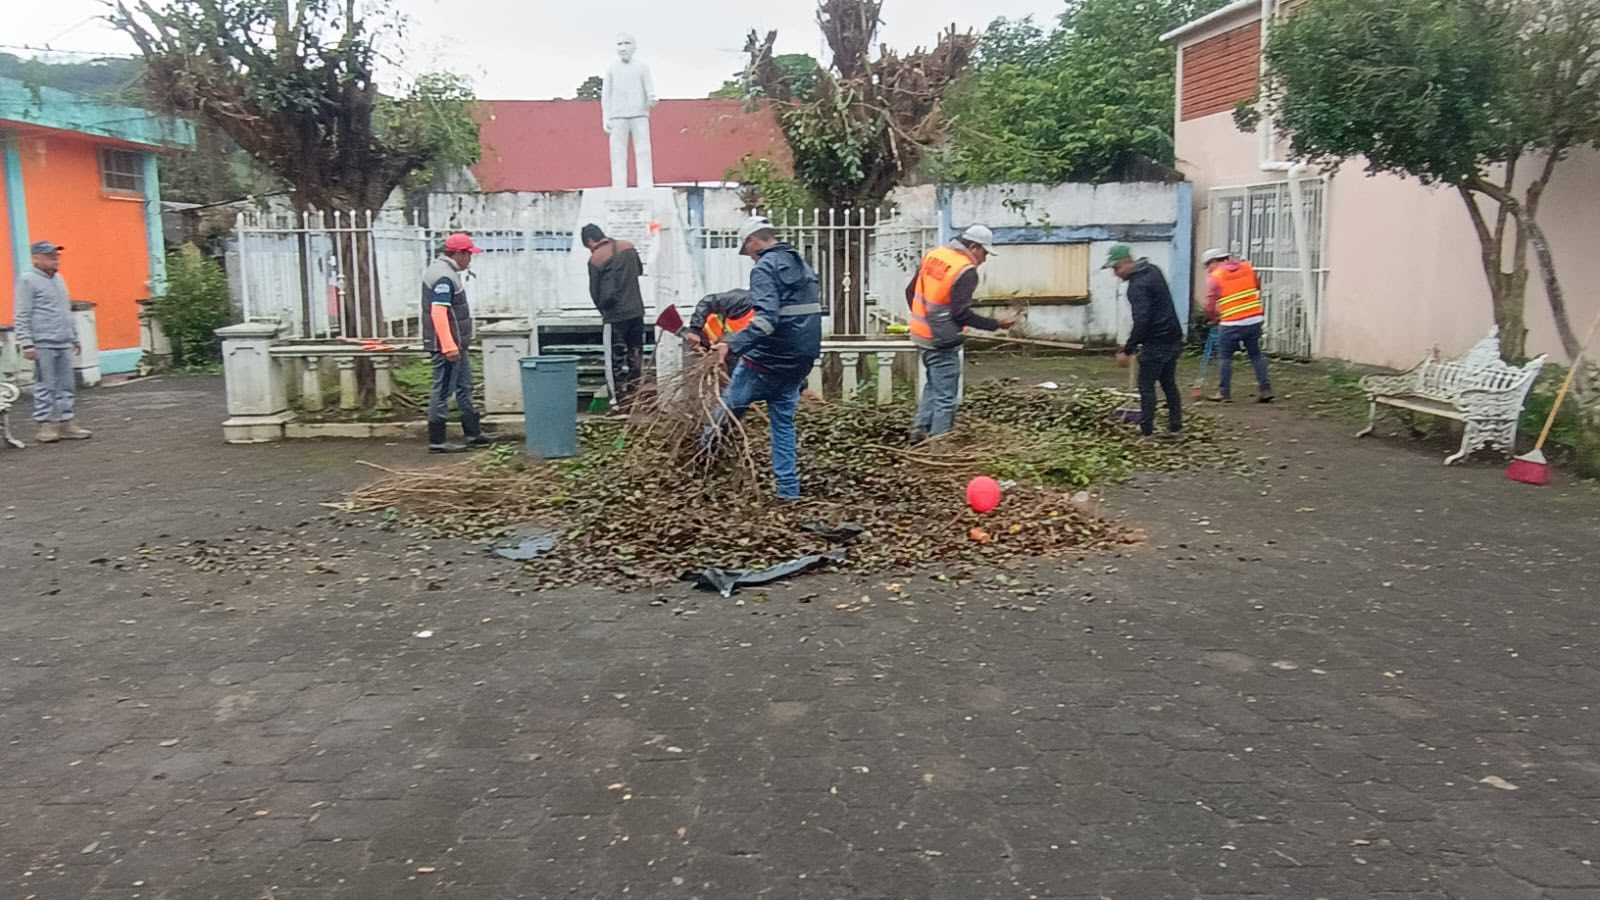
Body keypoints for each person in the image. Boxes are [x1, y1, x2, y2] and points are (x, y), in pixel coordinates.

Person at [705, 217, 822, 500]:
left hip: (763, 363)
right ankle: (788, 491)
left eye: (749, 252)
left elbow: (767, 321)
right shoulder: (801, 265)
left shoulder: (765, 268)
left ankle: (701, 460)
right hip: (797, 364)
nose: (751, 259)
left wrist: (731, 345)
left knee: (727, 412)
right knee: (783, 426)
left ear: (754, 240)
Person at [905, 225, 1018, 443]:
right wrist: (996, 324)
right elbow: (960, 313)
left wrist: (926, 319)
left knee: (934, 385)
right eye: (984, 253)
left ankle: (918, 433)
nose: (984, 259)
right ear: (974, 247)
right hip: (941, 341)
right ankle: (938, 446)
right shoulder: (965, 271)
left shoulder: (934, 255)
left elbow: (910, 292)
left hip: (920, 334)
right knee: (946, 397)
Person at [13, 241, 88, 443]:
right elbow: (22, 314)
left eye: (56, 256)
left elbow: (65, 311)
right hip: (42, 342)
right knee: (46, 384)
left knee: (67, 384)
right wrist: (27, 343)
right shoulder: (27, 280)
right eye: (49, 256)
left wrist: (73, 337)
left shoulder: (58, 279)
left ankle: (66, 423)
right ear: (36, 258)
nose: (55, 260)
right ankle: (46, 424)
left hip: (63, 341)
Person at [1106, 244, 1184, 439]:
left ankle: (1146, 430)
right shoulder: (1154, 270)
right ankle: (1175, 427)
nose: (1116, 274)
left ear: (1127, 262)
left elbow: (1142, 320)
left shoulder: (1137, 286)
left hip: (1157, 341)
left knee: (1146, 386)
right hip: (1173, 336)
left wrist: (1127, 349)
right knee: (1168, 384)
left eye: (1116, 268)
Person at [422, 233, 488, 454]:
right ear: (459, 254)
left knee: (464, 387)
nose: (470, 260)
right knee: (442, 391)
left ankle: (473, 433)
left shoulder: (445, 271)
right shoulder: (444, 276)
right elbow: (438, 313)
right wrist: (449, 346)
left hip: (457, 344)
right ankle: (437, 440)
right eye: (469, 255)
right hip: (448, 346)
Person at [582, 224, 647, 412]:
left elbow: (595, 292)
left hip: (615, 317)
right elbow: (639, 271)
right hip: (636, 311)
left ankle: (618, 403)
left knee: (614, 361)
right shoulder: (628, 247)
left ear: (589, 241)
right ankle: (636, 398)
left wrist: (605, 314)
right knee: (635, 356)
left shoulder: (596, 259)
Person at [1203, 248, 1273, 403]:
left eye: (1208, 265)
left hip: (1231, 323)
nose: (1208, 269)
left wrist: (1214, 318)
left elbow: (1209, 305)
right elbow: (1257, 287)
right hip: (1254, 319)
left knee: (1225, 357)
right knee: (1255, 354)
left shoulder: (1216, 277)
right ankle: (1265, 388)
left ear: (1214, 261)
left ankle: (1224, 393)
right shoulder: (1247, 268)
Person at [684, 288, 755, 369]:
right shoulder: (742, 300)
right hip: (699, 340)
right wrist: (695, 329)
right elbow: (707, 302)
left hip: (723, 352)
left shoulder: (769, 319)